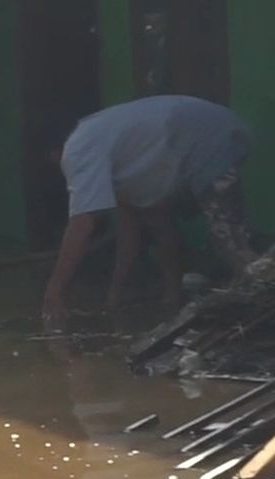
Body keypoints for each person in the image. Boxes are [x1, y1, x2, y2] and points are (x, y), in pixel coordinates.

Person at [42, 95, 257, 329]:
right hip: (208, 127)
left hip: (206, 135)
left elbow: (82, 225)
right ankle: (176, 296)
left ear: (56, 154)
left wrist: (54, 290)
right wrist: (114, 299)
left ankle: (261, 305)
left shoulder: (78, 149)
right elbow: (131, 237)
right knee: (173, 226)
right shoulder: (124, 163)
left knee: (231, 245)